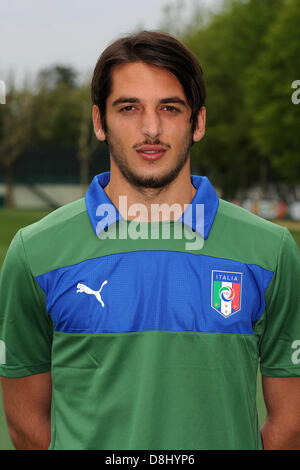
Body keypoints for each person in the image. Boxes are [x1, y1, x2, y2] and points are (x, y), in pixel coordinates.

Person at [0, 30, 300, 451]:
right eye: (128, 108)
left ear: (198, 122)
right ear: (99, 122)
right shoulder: (35, 253)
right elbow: (26, 425)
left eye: (170, 108)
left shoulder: (271, 251)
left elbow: (290, 424)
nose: (151, 128)